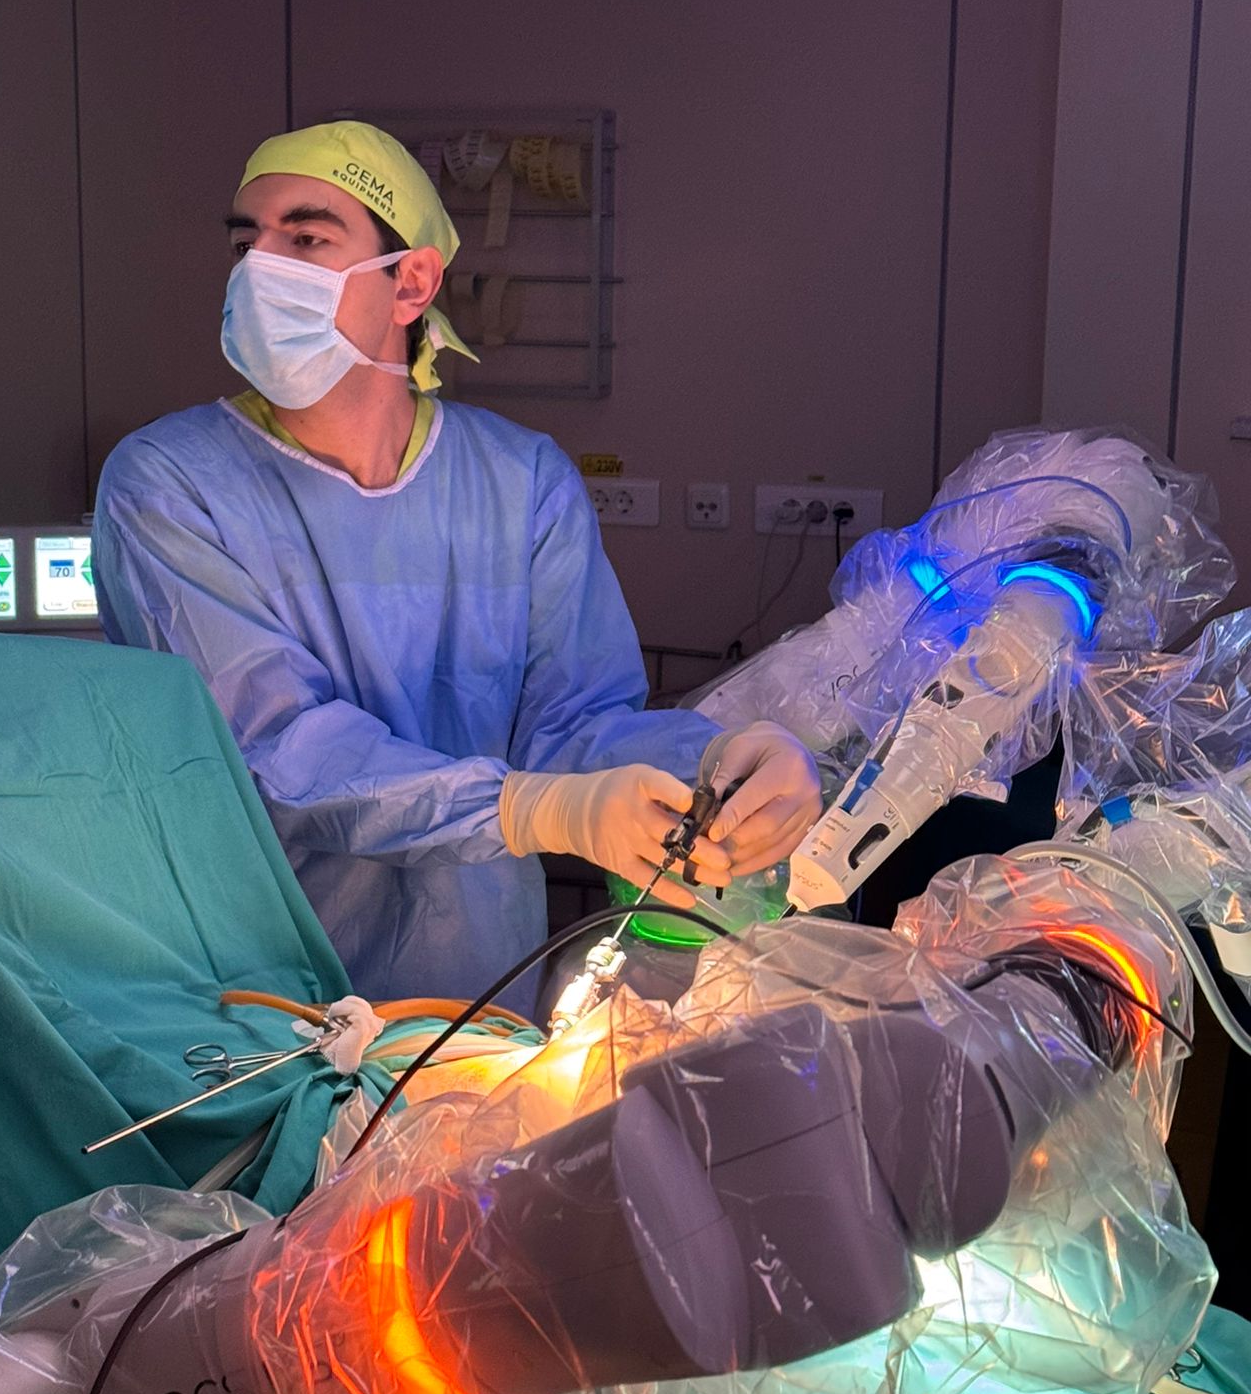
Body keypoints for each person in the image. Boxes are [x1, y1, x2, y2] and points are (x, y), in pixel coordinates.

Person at [93, 122, 820, 1005]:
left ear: (411, 282)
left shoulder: (520, 481)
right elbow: (271, 751)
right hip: (260, 1005)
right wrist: (525, 808)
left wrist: (720, 760)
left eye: (306, 238)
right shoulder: (166, 483)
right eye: (248, 242)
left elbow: (574, 725)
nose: (259, 269)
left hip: (473, 1000)